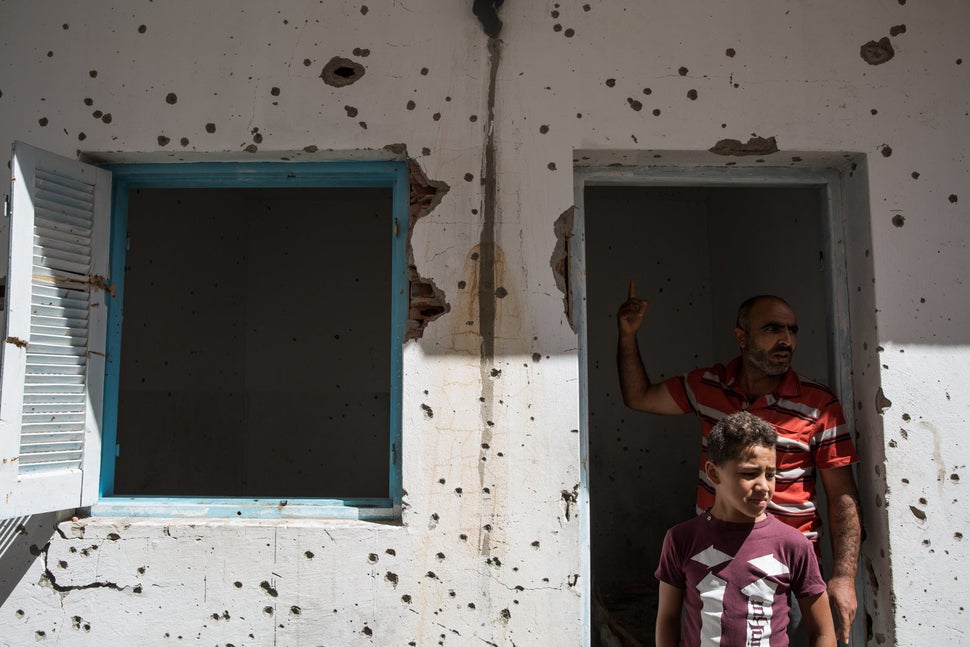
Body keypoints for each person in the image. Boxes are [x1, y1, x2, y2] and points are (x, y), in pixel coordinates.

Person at [617, 283, 861, 644]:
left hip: (786, 576)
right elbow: (638, 397)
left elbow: (843, 495)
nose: (786, 340)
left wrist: (843, 576)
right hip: (709, 566)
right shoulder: (707, 385)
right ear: (741, 337)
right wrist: (627, 335)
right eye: (772, 329)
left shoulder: (817, 404)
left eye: (792, 330)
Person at [655, 411, 836, 647]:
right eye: (749, 474)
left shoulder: (793, 544)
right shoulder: (682, 539)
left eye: (770, 474)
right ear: (712, 473)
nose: (763, 486)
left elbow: (823, 631)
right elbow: (667, 619)